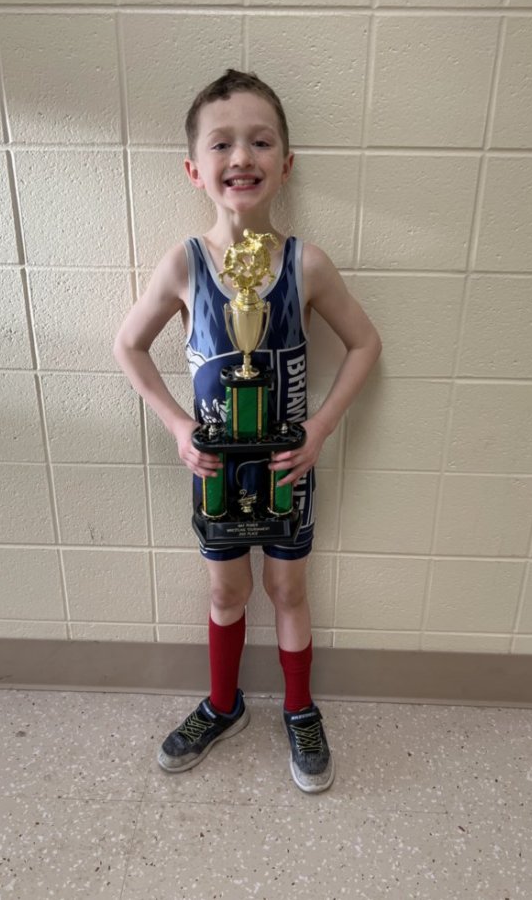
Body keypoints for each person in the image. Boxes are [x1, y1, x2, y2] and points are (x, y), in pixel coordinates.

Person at [113, 69, 381, 793]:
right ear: (193, 169)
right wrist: (178, 426)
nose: (241, 157)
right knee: (226, 591)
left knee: (288, 589)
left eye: (260, 142)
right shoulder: (184, 264)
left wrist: (321, 427)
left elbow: (365, 343)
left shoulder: (305, 264)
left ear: (285, 165)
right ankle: (224, 704)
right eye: (222, 143)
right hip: (215, 471)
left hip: (289, 465)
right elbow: (129, 345)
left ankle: (298, 709)